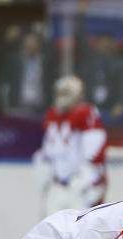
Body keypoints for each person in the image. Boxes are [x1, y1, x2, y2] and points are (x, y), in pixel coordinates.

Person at [32, 76, 107, 215]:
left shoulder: (86, 112)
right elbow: (48, 150)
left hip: (79, 184)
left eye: (66, 92)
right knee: (50, 229)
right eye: (60, 92)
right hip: (56, 183)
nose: (62, 97)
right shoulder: (52, 114)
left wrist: (88, 179)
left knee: (81, 230)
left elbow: (95, 150)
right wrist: (45, 176)